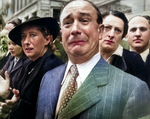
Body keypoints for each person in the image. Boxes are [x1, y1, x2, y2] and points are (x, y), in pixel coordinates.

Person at [36, 0, 150, 119]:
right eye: (67, 23)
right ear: (61, 32)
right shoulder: (48, 78)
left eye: (84, 20)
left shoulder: (133, 88)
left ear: (99, 31)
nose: (74, 29)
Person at [0, 16, 64, 119]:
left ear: (47, 39)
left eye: (33, 35)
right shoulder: (31, 63)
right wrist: (15, 102)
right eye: (23, 36)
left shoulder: (54, 67)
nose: (26, 41)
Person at [99, 11, 149, 84]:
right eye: (107, 28)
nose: (111, 34)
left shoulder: (133, 60)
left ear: (123, 36)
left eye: (118, 30)